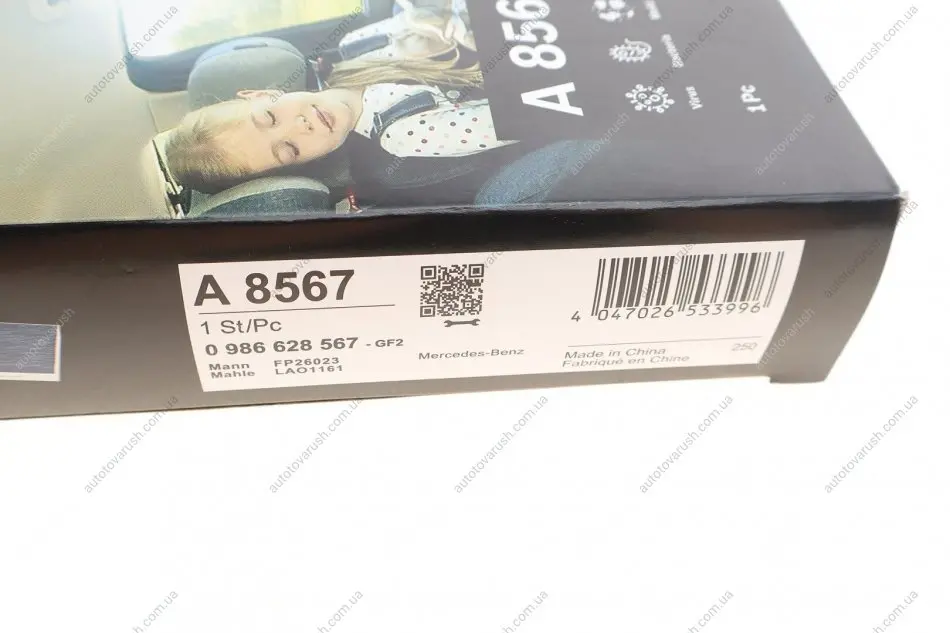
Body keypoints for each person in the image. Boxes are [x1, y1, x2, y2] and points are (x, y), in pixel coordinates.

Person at [165, 55, 517, 194]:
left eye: (270, 117)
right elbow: (526, 114)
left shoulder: (352, 51)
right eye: (289, 149)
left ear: (261, 93)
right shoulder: (403, 135)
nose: (300, 125)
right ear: (304, 164)